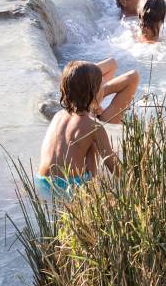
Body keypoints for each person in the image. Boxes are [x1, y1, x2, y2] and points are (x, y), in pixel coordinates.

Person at [37, 59, 139, 194]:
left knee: (85, 143)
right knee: (92, 145)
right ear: (95, 93)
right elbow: (112, 164)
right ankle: (93, 189)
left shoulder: (58, 116)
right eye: (101, 86)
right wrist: (136, 182)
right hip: (70, 186)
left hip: (42, 180)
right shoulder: (94, 127)